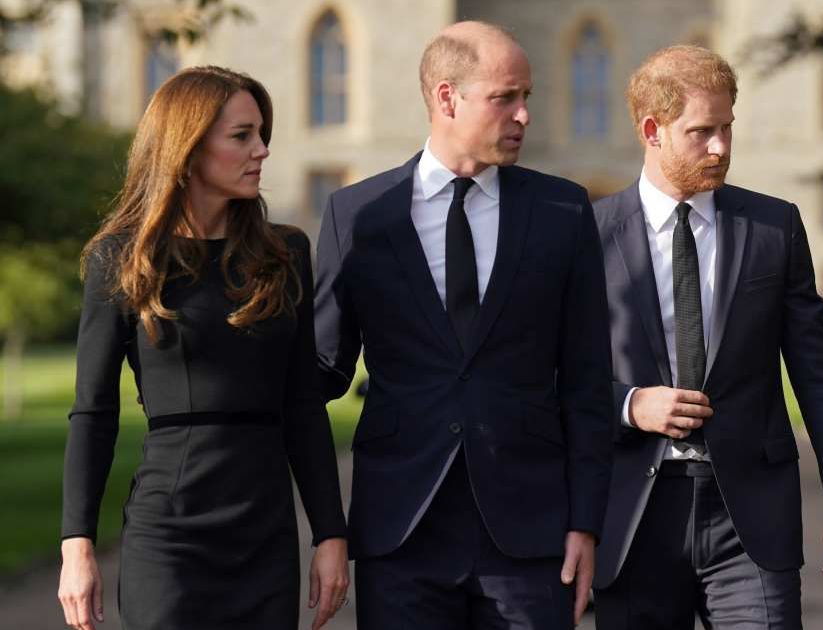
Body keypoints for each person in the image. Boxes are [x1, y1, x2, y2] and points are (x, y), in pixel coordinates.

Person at [312, 21, 613, 630]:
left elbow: (587, 381)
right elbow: (320, 371)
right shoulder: (359, 216)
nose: (525, 115)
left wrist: (585, 522)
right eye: (507, 98)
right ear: (447, 97)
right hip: (401, 531)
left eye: (526, 96)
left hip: (529, 538)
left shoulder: (563, 210)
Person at [590, 45, 823, 629]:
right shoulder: (587, 237)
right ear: (653, 130)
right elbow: (548, 373)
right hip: (632, 516)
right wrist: (629, 403)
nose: (721, 147)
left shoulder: (774, 227)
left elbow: (820, 376)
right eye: (702, 132)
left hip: (749, 519)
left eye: (727, 128)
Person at [57, 66, 349, 630]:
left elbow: (304, 408)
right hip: (168, 532)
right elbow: (92, 412)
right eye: (241, 136)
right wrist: (78, 547)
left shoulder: (285, 254)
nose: (261, 150)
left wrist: (330, 534)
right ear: (188, 147)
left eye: (262, 134)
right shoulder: (120, 258)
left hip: (265, 530)